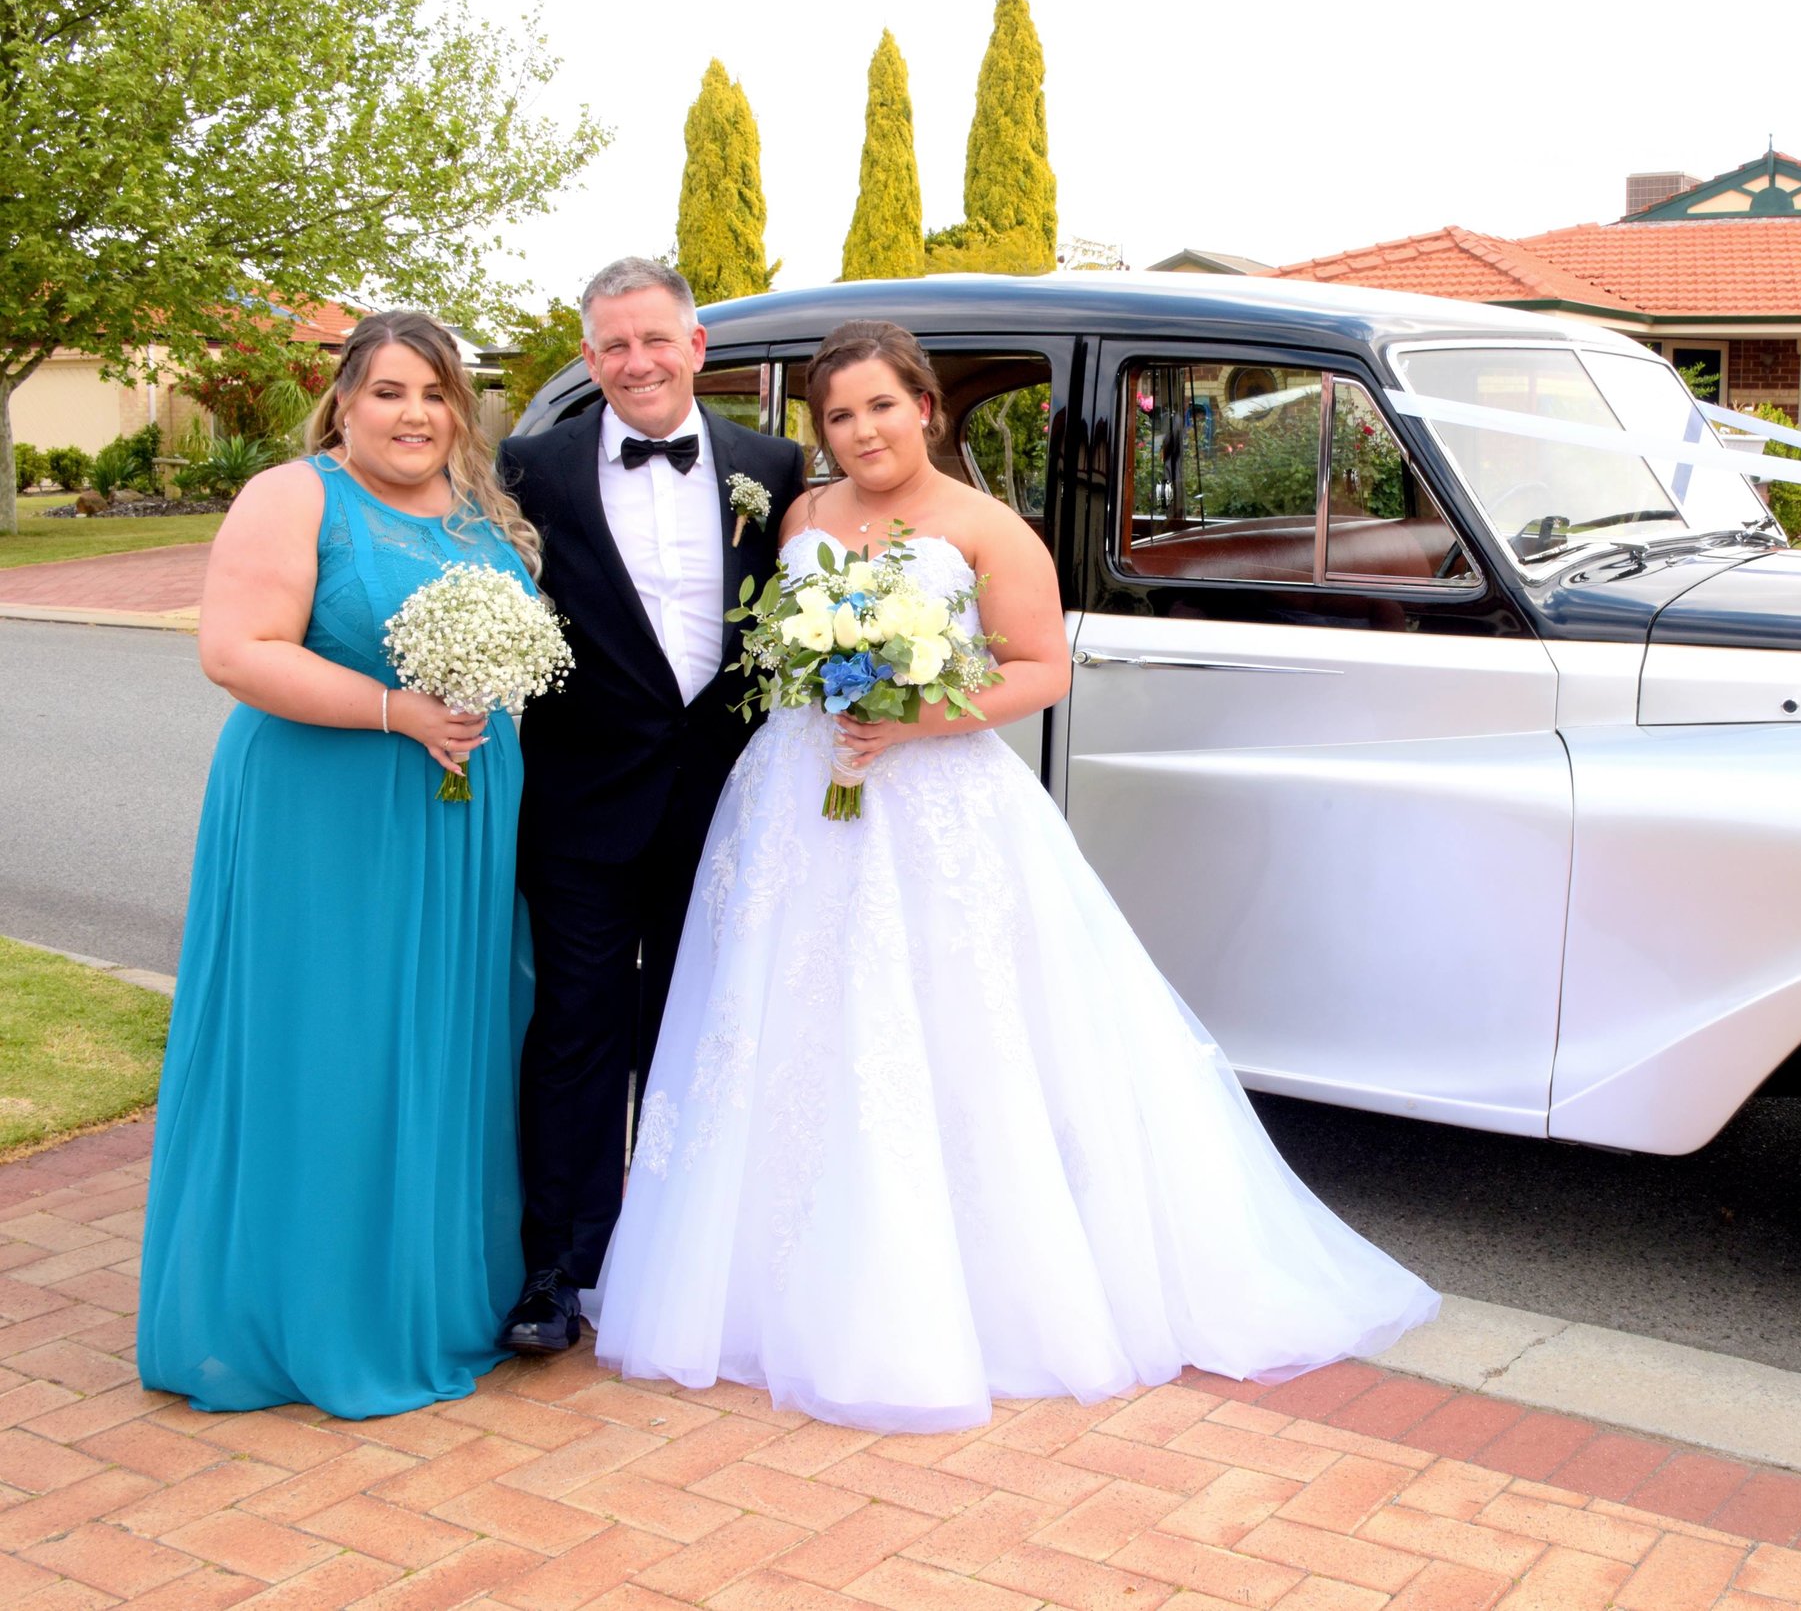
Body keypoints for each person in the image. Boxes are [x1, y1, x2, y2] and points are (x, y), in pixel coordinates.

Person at [588, 321, 1438, 1431]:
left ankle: (955, 1290)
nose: (861, 431)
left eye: (881, 407)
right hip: (797, 795)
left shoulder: (988, 528)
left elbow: (1041, 668)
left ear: (925, 407)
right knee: (783, 1021)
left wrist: (910, 716)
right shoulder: (799, 516)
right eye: (838, 416)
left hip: (935, 795)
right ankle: (772, 1277)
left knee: (946, 1021)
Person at [137, 311, 536, 1416]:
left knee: (444, 1041)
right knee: (330, 1041)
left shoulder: (474, 512)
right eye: (390, 392)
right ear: (344, 402)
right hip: (326, 812)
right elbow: (236, 651)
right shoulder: (294, 495)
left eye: (436, 394)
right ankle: (301, 1312)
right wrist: (396, 711)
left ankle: (430, 1296)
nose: (415, 415)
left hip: (457, 811)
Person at [494, 259, 805, 1353]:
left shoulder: (775, 466)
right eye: (613, 345)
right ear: (590, 359)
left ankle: (686, 1265)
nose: (636, 362)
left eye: (654, 340)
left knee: (700, 1029)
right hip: (580, 808)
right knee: (575, 1036)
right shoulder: (529, 470)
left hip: (724, 808)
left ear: (696, 347)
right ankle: (556, 1273)